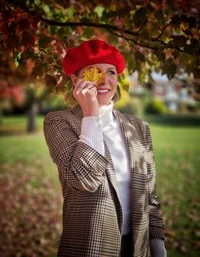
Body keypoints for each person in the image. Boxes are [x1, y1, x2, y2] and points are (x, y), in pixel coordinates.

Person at [43, 39, 166, 257]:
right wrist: (91, 112)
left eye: (110, 72)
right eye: (94, 71)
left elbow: (150, 197)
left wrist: (158, 247)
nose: (104, 79)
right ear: (75, 80)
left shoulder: (138, 128)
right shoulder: (58, 122)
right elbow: (84, 179)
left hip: (139, 248)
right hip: (90, 247)